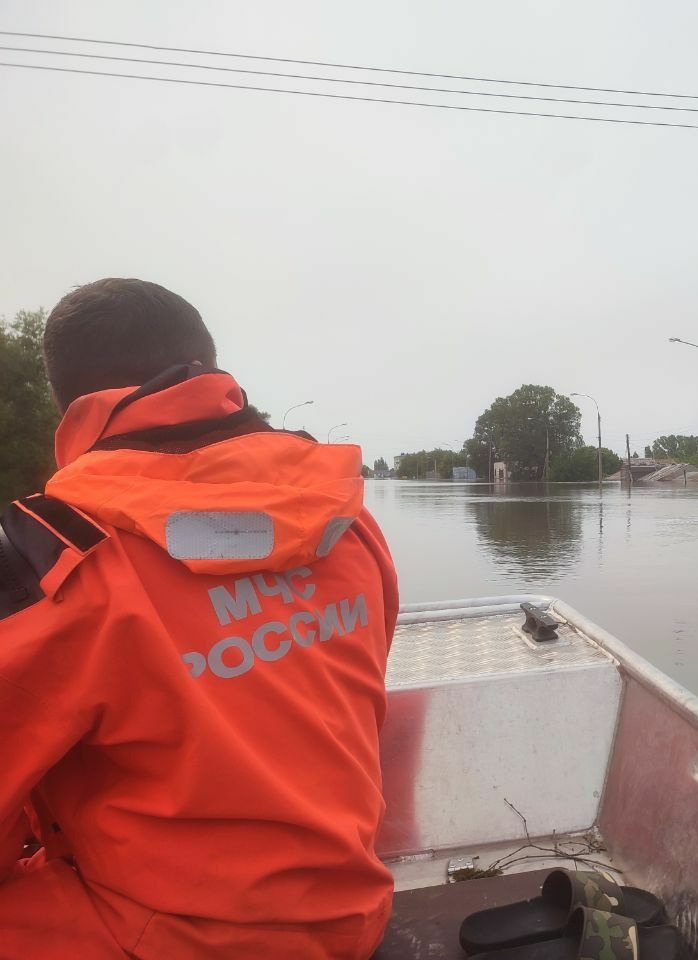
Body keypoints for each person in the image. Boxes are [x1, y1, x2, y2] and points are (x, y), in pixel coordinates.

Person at [0, 279, 398, 959]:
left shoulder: (52, 558)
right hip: (355, 913)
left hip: (174, 939)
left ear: (69, 404)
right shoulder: (345, 519)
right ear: (210, 368)